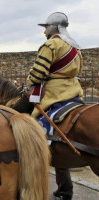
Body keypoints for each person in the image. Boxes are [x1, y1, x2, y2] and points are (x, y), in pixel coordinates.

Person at [26, 12, 83, 200]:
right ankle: (64, 190)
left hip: (54, 94)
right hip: (73, 93)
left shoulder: (51, 44)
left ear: (54, 27)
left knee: (29, 128)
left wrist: (29, 82)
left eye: (46, 27)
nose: (44, 32)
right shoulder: (75, 47)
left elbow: (38, 73)